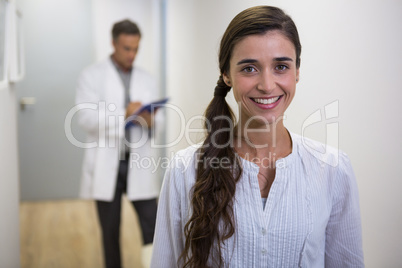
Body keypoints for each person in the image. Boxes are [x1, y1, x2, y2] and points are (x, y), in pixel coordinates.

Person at [151, 6, 364, 268]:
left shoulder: (333, 169)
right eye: (249, 68)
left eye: (281, 66)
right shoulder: (185, 170)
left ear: (297, 71)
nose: (266, 84)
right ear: (226, 75)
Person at [76, 19, 161, 268]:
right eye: (126, 48)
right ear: (113, 43)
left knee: (152, 226)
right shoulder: (91, 76)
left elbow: (160, 119)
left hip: (138, 162)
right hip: (107, 163)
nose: (132, 54)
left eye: (136, 49)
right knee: (110, 232)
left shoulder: (147, 79)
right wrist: (124, 114)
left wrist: (149, 120)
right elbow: (85, 117)